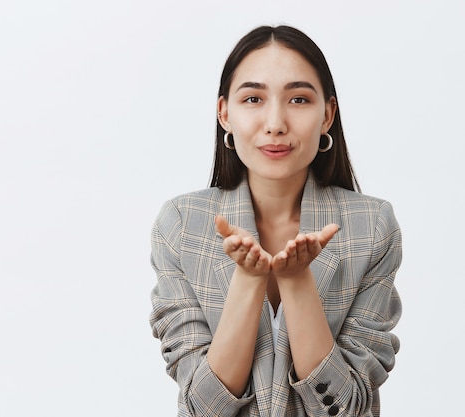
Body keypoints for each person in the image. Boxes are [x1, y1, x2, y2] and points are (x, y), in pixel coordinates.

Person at [149, 25, 402, 417]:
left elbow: (349, 409)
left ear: (327, 115)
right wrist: (248, 281)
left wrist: (298, 281)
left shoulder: (371, 226)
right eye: (253, 98)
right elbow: (202, 409)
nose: (275, 123)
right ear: (225, 114)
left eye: (298, 99)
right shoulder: (182, 225)